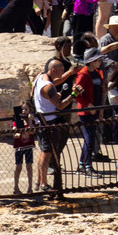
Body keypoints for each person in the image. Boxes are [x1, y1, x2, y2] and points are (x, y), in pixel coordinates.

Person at [32, 56, 78, 192]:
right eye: (60, 70)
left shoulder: (40, 77)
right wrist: (74, 94)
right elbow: (61, 105)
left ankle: (38, 181)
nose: (62, 73)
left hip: (40, 120)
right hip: (50, 123)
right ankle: (44, 184)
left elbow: (53, 84)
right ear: (53, 70)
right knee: (47, 154)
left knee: (43, 152)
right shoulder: (49, 87)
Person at [9, 104, 36, 194]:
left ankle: (30, 187)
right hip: (19, 147)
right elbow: (14, 133)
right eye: (22, 109)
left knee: (29, 166)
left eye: (26, 109)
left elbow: (32, 131)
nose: (24, 111)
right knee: (18, 167)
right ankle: (16, 187)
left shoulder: (30, 121)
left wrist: (30, 121)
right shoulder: (17, 120)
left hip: (28, 146)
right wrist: (20, 134)